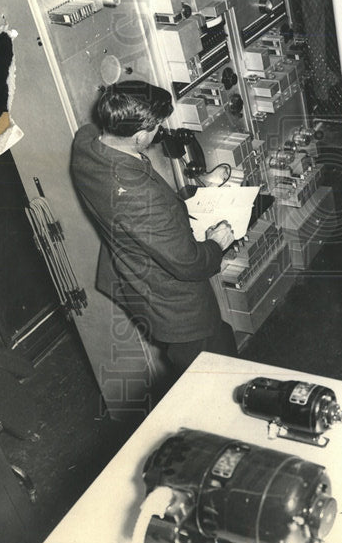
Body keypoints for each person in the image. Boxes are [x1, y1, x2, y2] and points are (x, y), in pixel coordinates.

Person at [70, 80, 238, 376]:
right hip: (177, 309)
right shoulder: (141, 197)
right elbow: (190, 264)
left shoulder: (86, 144)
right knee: (215, 371)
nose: (160, 131)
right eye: (157, 127)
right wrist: (216, 242)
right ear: (138, 136)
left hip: (132, 274)